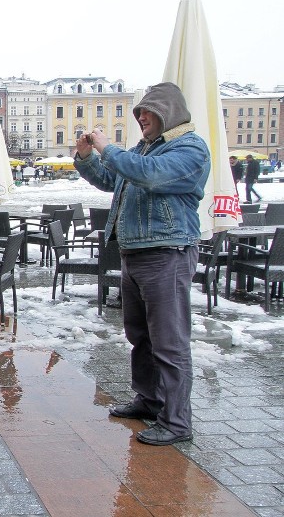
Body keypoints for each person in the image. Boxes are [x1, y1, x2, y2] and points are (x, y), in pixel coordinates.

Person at [73, 82, 210, 446]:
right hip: (134, 252)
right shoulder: (144, 150)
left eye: (147, 113)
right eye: (139, 114)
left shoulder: (189, 148)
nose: (142, 119)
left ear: (168, 113)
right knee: (140, 336)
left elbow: (148, 174)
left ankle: (177, 422)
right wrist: (87, 158)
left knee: (169, 342)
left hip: (167, 253)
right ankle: (149, 401)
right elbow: (111, 180)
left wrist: (108, 147)